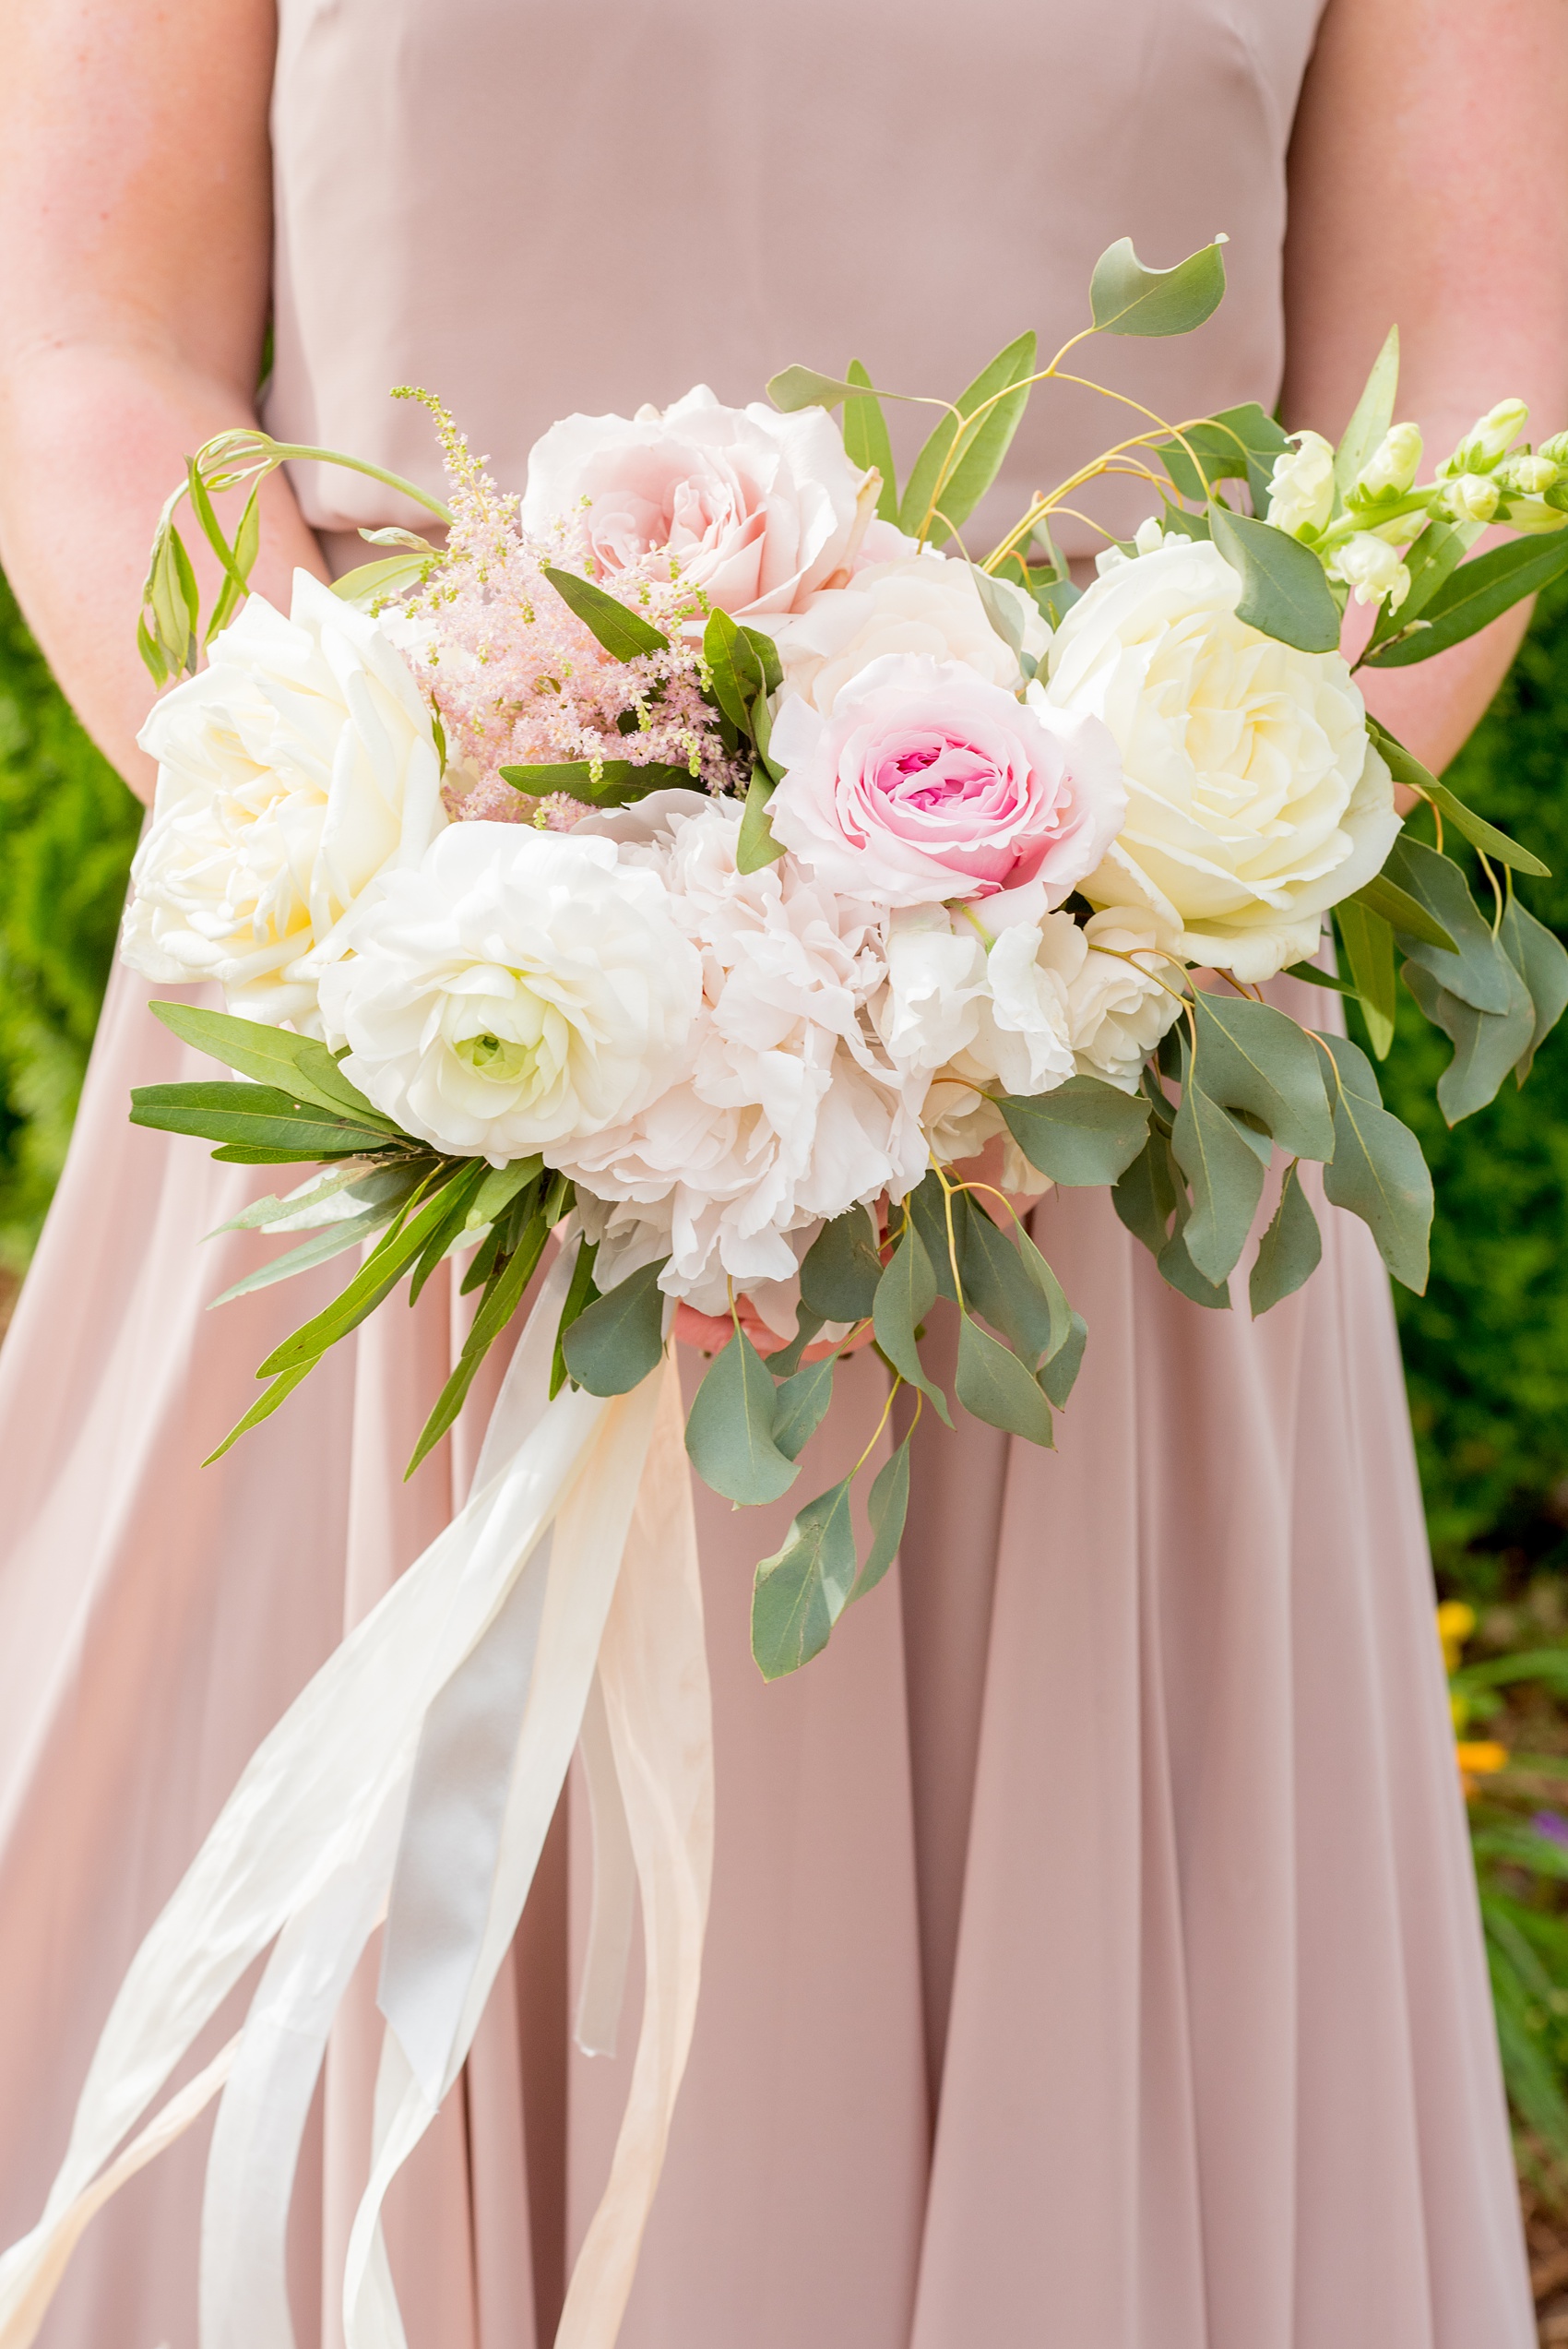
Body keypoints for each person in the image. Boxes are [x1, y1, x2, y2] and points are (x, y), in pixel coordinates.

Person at [0, 2, 1563, 2343]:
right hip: (401, 1025)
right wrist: (407, 862)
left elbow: (1466, 372)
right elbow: (97, 346)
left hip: (1096, 1082)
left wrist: (1116, 896)